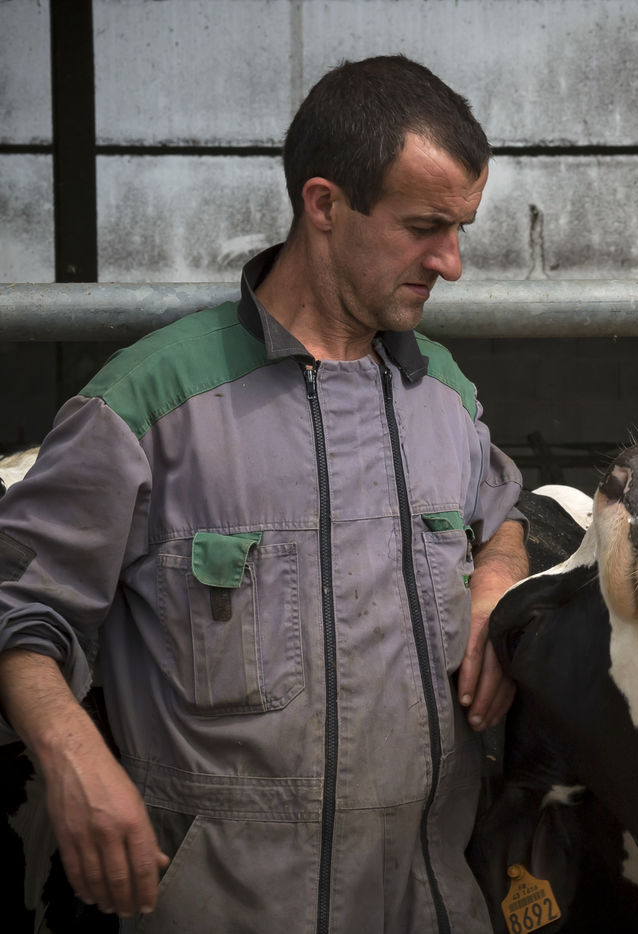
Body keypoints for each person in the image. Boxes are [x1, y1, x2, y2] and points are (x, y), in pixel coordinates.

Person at [0, 56, 527, 931]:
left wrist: (497, 579)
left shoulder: (443, 396)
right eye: (425, 227)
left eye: (461, 228)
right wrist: (69, 754)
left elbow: (503, 513)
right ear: (324, 205)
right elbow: (18, 604)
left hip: (430, 907)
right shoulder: (147, 407)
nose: (453, 262)